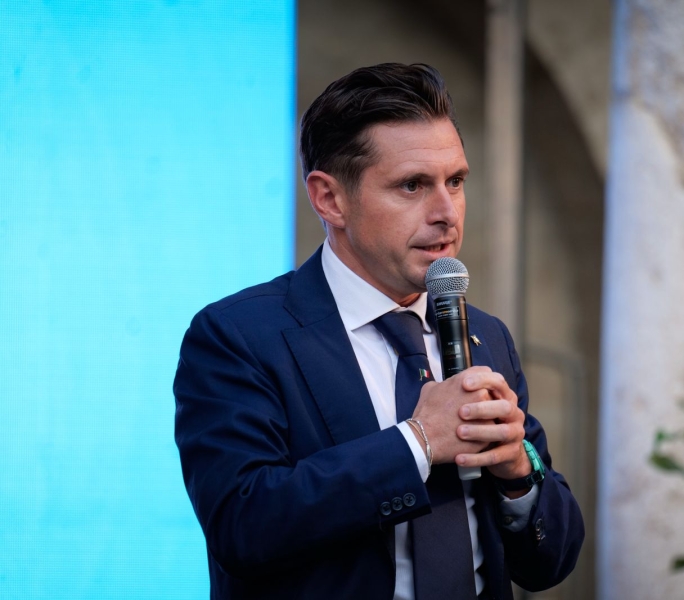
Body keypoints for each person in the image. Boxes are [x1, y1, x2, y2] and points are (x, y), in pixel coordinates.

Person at [174, 63, 584, 600]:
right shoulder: (239, 336)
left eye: (455, 181)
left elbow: (551, 561)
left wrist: (517, 474)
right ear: (329, 199)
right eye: (412, 185)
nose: (446, 213)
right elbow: (243, 525)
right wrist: (418, 442)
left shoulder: (487, 335)